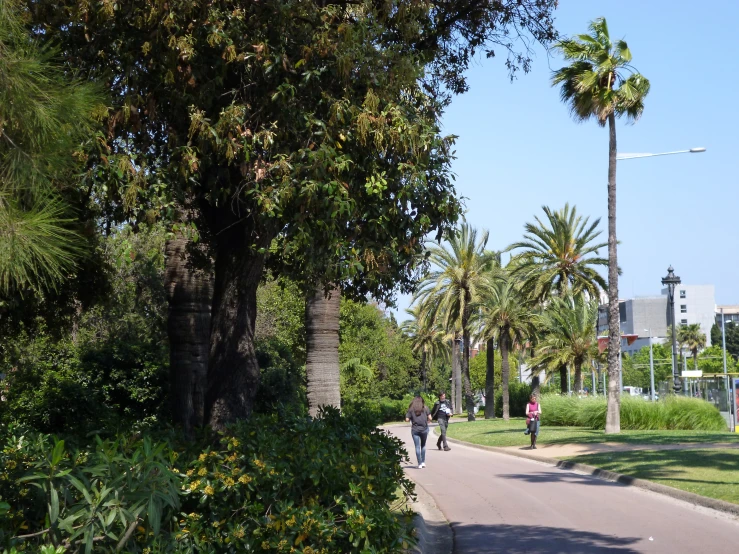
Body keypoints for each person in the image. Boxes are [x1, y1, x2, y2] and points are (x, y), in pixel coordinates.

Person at [405, 395, 432, 468]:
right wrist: (428, 421)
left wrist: (411, 419)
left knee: (417, 446)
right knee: (423, 445)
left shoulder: (411, 409)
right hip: (424, 429)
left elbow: (407, 419)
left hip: (415, 430)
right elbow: (430, 418)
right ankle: (423, 462)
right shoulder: (425, 408)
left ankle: (419, 463)